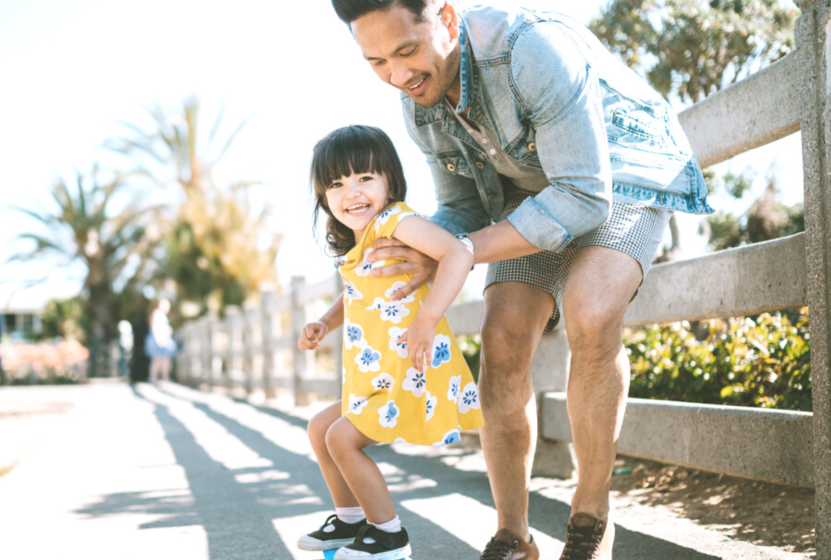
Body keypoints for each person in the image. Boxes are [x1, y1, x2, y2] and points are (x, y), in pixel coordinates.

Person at [331, 2, 714, 558]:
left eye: (407, 51)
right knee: (502, 338)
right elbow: (461, 204)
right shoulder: (418, 103)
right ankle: (514, 536)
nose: (397, 75)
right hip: (530, 194)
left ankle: (591, 517)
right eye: (377, 61)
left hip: (623, 171)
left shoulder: (532, 49)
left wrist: (456, 252)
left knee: (591, 311)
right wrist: (425, 247)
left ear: (445, 16)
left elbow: (584, 192)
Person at [297, 125, 483, 560]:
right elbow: (358, 291)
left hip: (411, 371)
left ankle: (388, 536)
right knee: (320, 428)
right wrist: (325, 322)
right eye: (337, 184)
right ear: (323, 196)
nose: (352, 192)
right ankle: (349, 520)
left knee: (342, 439)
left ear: (389, 180)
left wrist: (428, 317)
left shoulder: (396, 221)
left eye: (365, 177)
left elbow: (458, 253)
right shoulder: (362, 240)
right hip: (380, 375)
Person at [144, 298, 177, 383]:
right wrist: (158, 339)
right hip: (159, 339)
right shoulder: (157, 313)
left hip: (163, 339)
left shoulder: (161, 314)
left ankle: (163, 377)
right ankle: (154, 378)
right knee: (157, 359)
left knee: (164, 359)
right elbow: (154, 327)